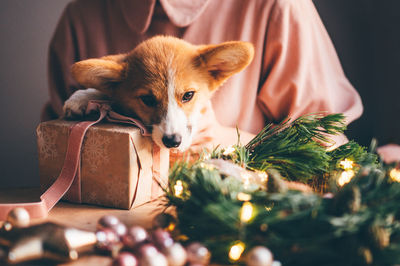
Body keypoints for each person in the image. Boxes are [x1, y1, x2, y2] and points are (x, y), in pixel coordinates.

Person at [43, 0, 363, 152]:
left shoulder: (278, 7)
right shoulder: (80, 17)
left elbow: (325, 143)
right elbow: (60, 147)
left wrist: (223, 142)